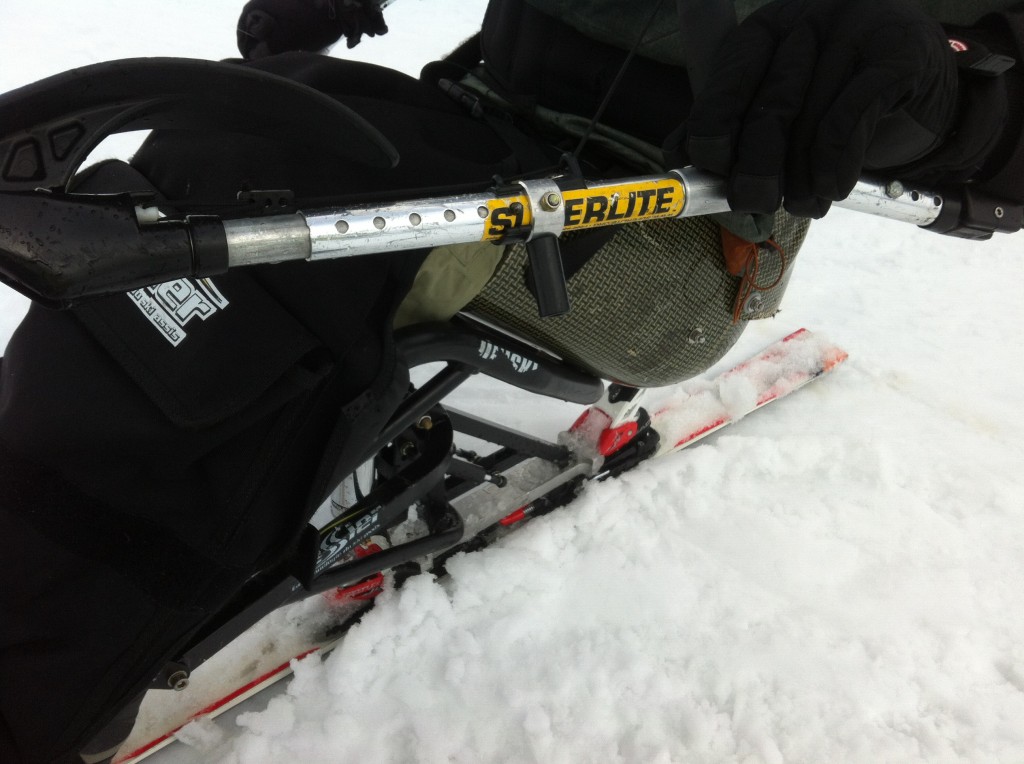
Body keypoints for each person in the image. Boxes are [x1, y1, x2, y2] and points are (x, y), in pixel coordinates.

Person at [1, 0, 1021, 761]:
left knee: (278, 270)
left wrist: (939, 94)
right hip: (486, 127)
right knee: (213, 149)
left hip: (674, 228)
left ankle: (40, 674)